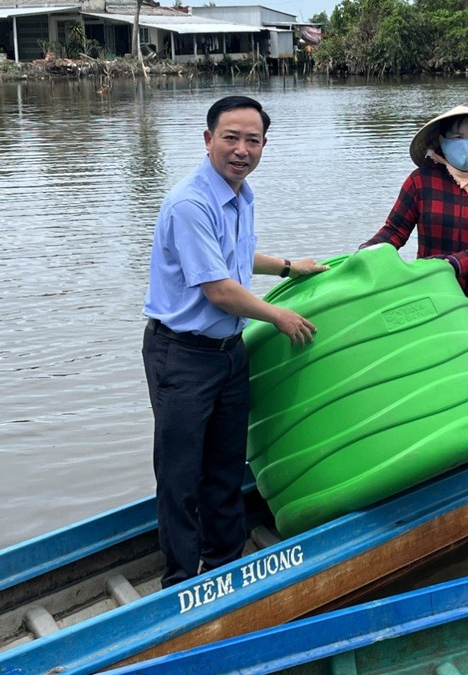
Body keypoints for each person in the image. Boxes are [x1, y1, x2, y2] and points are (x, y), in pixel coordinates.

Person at [142, 95, 328, 589]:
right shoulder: (191, 202)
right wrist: (278, 315)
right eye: (231, 137)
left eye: (252, 140)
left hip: (228, 352)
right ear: (208, 141)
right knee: (181, 474)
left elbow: (237, 258)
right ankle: (181, 582)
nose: (241, 149)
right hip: (181, 355)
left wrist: (290, 266)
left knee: (226, 463)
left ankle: (223, 564)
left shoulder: (239, 195)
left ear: (264, 145)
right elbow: (219, 289)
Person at [361, 105, 468, 356]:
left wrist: (457, 263)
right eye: (457, 137)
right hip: (431, 299)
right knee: (433, 369)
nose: (466, 144)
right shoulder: (420, 181)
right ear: (442, 142)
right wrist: (367, 253)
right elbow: (395, 231)